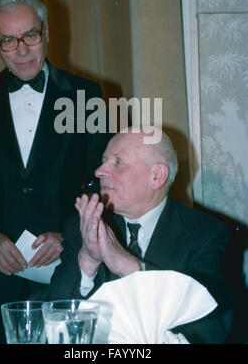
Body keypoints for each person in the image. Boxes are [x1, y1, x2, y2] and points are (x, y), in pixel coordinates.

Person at [0, 0, 110, 343]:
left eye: (30, 35)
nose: (22, 50)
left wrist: (69, 234)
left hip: (63, 271)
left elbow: (101, 180)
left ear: (46, 32)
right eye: (8, 40)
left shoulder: (85, 95)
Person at [37, 127, 234, 344]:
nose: (99, 171)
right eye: (103, 160)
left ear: (157, 176)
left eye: (117, 162)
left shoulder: (205, 233)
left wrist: (132, 268)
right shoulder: (83, 225)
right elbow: (52, 324)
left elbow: (211, 330)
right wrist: (87, 261)